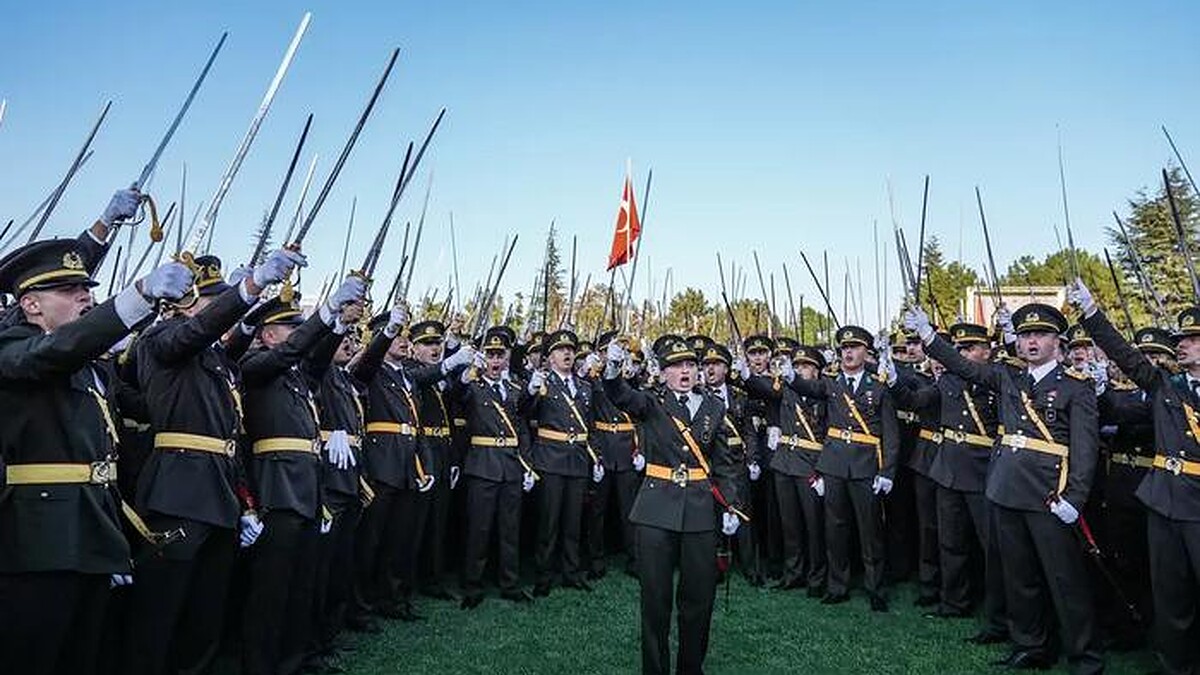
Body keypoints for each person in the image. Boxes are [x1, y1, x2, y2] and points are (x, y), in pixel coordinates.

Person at [0, 235, 194, 675]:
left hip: (91, 527)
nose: (86, 296)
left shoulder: (86, 365)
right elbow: (54, 352)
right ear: (31, 305)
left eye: (86, 288)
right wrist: (139, 296)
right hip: (37, 541)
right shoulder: (12, 349)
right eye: (69, 291)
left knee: (85, 654)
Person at [122, 250, 301, 675]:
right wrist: (249, 288)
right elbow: (197, 331)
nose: (220, 312)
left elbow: (230, 437)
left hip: (219, 494)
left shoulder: (220, 362)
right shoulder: (162, 339)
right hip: (178, 492)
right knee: (158, 613)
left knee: (205, 614)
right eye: (212, 302)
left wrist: (244, 502)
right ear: (184, 305)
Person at [908, 301, 1103, 673]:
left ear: (1057, 342)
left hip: (1049, 495)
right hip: (1005, 489)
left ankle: (1084, 655)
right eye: (1026, 335)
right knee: (1019, 576)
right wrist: (929, 336)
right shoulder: (1008, 377)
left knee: (1065, 580)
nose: (1031, 342)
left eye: (1041, 335)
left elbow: (1085, 450)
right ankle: (1030, 644)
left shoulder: (1076, 387)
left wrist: (1074, 498)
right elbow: (964, 365)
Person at [239, 275, 366, 675]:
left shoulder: (296, 377)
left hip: (308, 490)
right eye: (291, 329)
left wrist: (339, 324)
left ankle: (293, 661)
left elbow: (315, 355)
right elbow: (292, 353)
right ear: (269, 334)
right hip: (277, 491)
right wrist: (326, 312)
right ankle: (260, 665)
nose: (298, 335)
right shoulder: (255, 365)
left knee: (300, 585)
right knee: (270, 591)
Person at [1073, 279, 1200, 673]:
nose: (1181, 344)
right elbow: (1127, 357)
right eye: (1181, 338)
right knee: (1171, 595)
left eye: (1192, 339)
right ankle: (1175, 665)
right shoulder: (1166, 385)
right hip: (1165, 499)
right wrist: (1092, 314)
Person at [602, 336, 746, 675]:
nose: (685, 371)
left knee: (698, 601)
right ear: (663, 373)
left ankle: (690, 669)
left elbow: (724, 463)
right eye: (676, 366)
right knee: (655, 601)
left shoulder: (714, 406)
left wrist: (731, 506)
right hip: (655, 509)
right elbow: (619, 394)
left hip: (699, 512)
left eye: (690, 365)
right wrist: (611, 368)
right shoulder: (651, 402)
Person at [771, 325, 900, 612]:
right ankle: (836, 585)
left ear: (866, 353)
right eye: (844, 348)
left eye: (854, 348)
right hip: (834, 465)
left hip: (866, 465)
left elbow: (891, 433)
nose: (849, 353)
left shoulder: (878, 386)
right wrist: (790, 375)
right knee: (835, 528)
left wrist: (887, 471)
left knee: (870, 532)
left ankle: (875, 588)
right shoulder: (831, 383)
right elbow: (808, 387)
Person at [455, 326, 537, 608]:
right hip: (483, 464)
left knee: (509, 528)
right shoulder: (473, 386)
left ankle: (509, 583)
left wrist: (527, 465)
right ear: (483, 357)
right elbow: (458, 396)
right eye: (490, 354)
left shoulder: (515, 388)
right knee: (478, 529)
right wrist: (465, 376)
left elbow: (524, 424)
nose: (495, 360)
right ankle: (473, 586)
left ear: (507, 356)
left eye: (500, 354)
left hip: (511, 465)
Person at [525, 329, 600, 596]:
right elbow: (524, 413)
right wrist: (532, 391)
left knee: (573, 521)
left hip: (578, 459)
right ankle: (544, 575)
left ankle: (571, 572)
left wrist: (596, 456)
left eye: (570, 349)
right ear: (549, 357)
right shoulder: (542, 383)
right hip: (550, 458)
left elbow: (590, 426)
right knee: (549, 521)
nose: (567, 353)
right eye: (560, 350)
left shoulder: (584, 387)